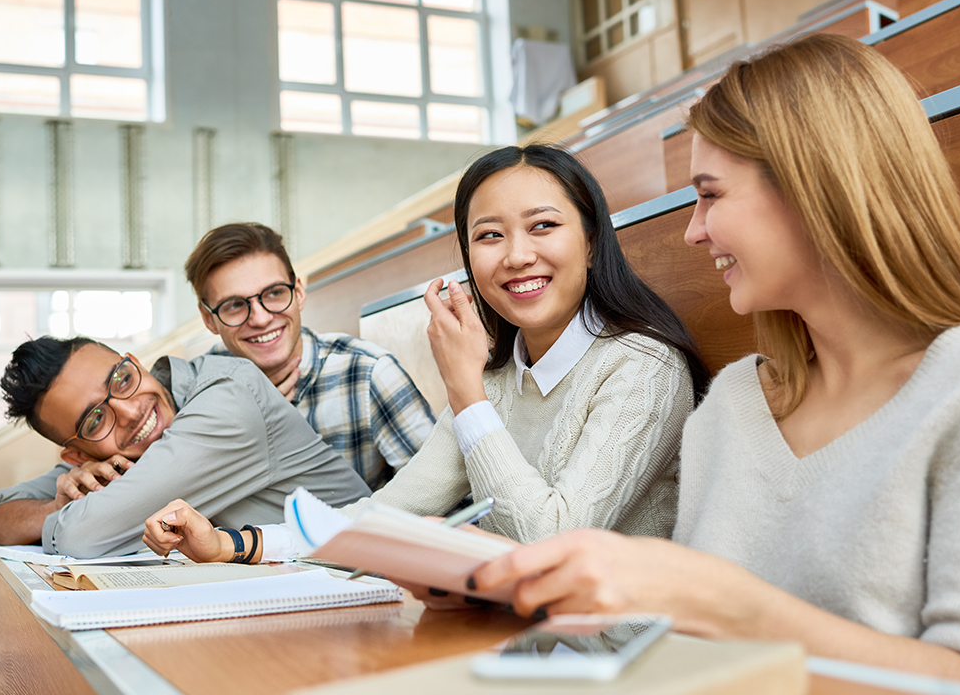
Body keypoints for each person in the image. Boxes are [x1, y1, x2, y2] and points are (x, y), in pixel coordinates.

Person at [467, 35, 960, 695]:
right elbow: (685, 646)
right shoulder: (732, 402)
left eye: (711, 195)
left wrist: (735, 606)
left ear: (814, 186)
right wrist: (499, 589)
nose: (693, 231)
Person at [143, 144, 710, 560]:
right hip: (514, 645)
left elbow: (552, 542)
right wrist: (228, 545)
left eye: (542, 226)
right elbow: (387, 513)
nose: (515, 256)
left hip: (614, 665)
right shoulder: (493, 380)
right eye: (489, 236)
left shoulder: (642, 368)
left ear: (590, 242)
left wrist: (465, 393)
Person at [0, 337, 370, 558]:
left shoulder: (228, 398)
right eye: (95, 419)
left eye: (122, 378)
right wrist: (55, 505)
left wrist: (72, 512)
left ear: (135, 363)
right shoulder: (116, 457)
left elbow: (83, 535)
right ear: (78, 455)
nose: (130, 410)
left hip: (375, 583)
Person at [187, 222, 435, 490]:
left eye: (274, 293)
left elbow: (452, 505)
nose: (260, 319)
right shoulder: (199, 390)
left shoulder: (367, 374)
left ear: (299, 292)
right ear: (209, 320)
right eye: (234, 305)